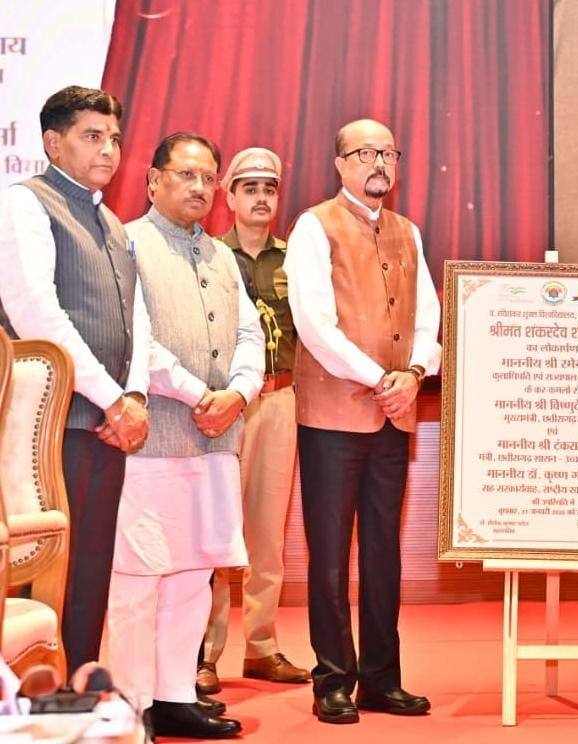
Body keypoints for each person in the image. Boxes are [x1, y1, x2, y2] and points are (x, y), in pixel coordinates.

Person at [106, 132, 264, 739]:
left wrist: (240, 393)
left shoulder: (221, 255)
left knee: (195, 572)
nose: (199, 187)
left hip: (217, 440)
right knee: (140, 576)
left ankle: (174, 695)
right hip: (153, 440)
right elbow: (134, 341)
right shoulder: (128, 243)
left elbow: (250, 333)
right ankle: (128, 702)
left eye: (208, 177)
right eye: (186, 175)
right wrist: (202, 396)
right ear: (153, 181)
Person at [285, 118, 440, 724]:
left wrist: (416, 373)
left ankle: (381, 678)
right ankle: (333, 679)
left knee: (383, 552)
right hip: (332, 416)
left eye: (388, 153)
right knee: (328, 554)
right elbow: (315, 326)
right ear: (340, 163)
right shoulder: (312, 226)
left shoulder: (408, 231)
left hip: (395, 416)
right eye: (365, 153)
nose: (379, 163)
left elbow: (428, 313)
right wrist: (381, 379)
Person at [0, 86, 150, 676]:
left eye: (114, 138)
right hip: (48, 429)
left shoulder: (110, 220)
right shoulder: (25, 204)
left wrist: (133, 396)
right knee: (46, 569)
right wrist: (114, 399)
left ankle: (77, 700)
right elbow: (35, 311)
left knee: (90, 570)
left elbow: (136, 314)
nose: (109, 150)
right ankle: (32, 712)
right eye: (93, 136)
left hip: (107, 426)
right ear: (51, 143)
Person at [197, 147, 309, 692]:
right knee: (220, 530)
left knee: (267, 531)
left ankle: (262, 646)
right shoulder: (209, 256)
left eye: (270, 188)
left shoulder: (296, 259)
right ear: (230, 196)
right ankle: (205, 651)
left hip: (281, 400)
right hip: (224, 405)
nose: (261, 197)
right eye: (249, 188)